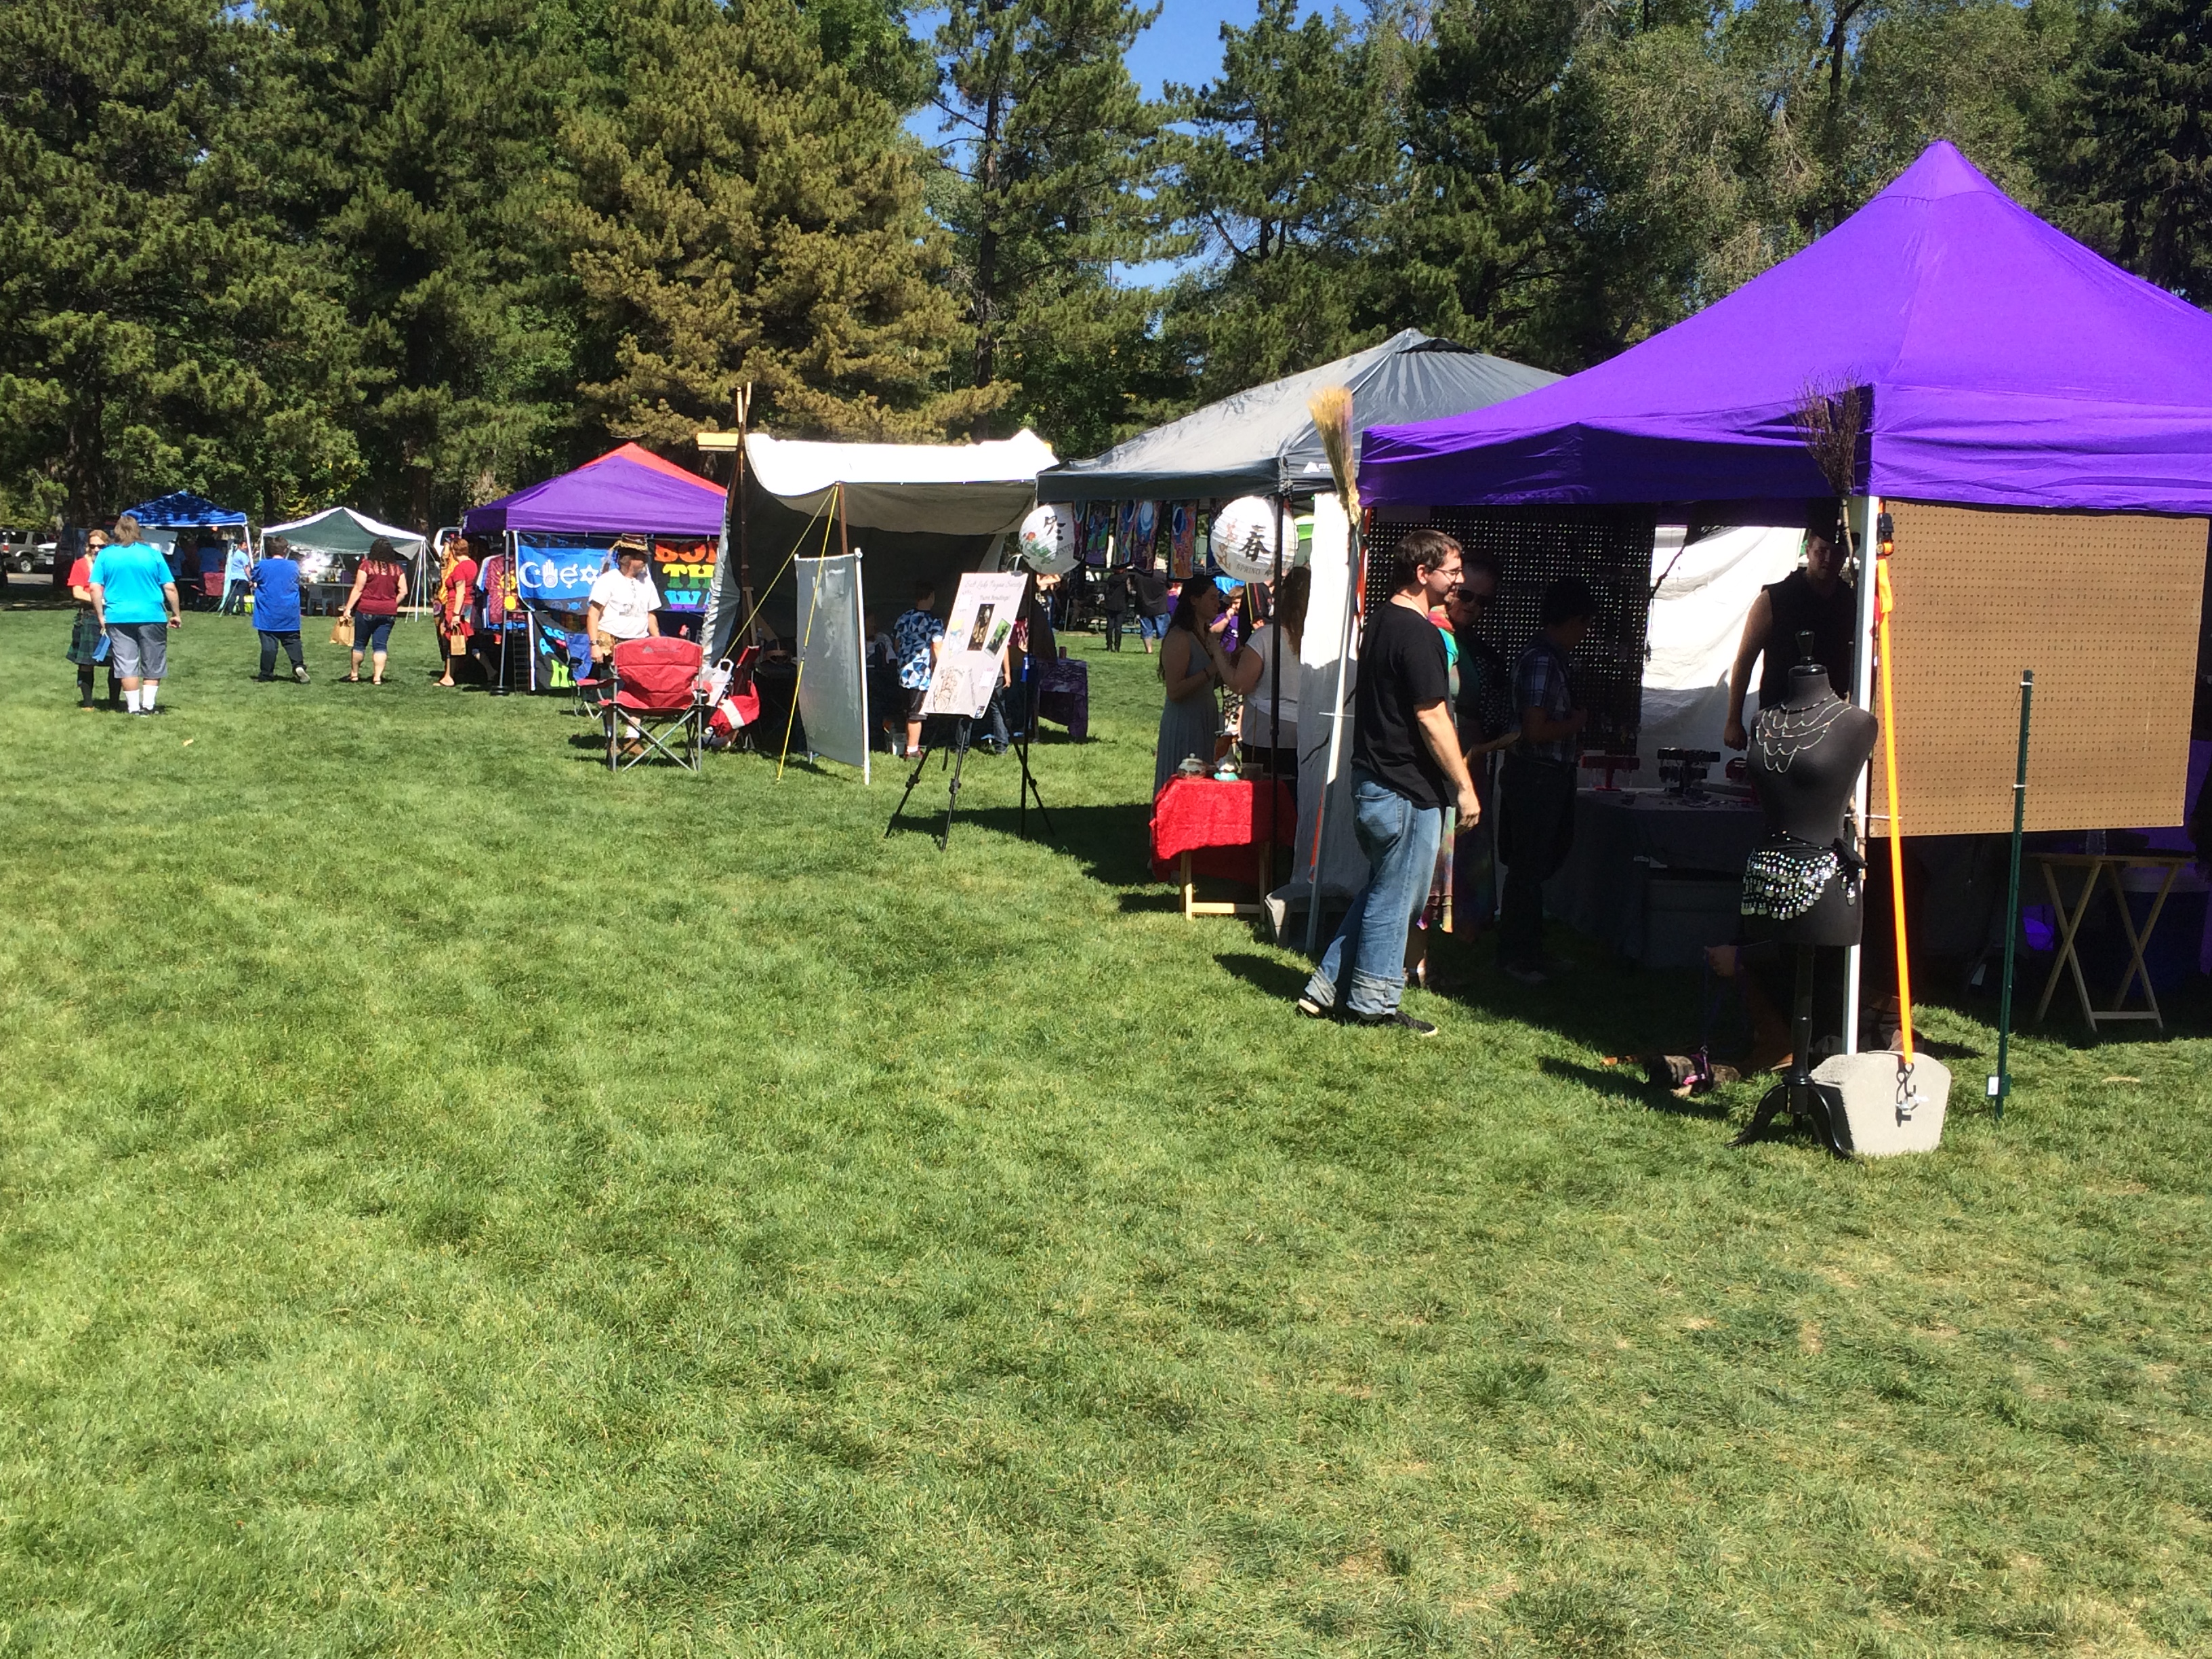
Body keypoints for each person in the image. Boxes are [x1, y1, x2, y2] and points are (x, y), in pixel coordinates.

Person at [1294, 529, 1480, 1034]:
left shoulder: (1379, 622)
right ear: (1423, 574)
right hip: (1404, 788)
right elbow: (1432, 716)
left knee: (1384, 889)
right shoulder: (1418, 633)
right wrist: (1464, 786)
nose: (1460, 582)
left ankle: (1326, 988)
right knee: (1398, 900)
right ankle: (1373, 1004)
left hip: (1376, 780)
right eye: (1453, 572)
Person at [1499, 575, 1596, 983]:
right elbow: (1534, 729)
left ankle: (1530, 951)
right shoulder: (1542, 660)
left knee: (1535, 867)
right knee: (1527, 868)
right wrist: (1575, 723)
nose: (1585, 633)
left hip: (1546, 776)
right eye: (1584, 624)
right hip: (1536, 776)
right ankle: (1516, 956)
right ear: (1572, 620)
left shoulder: (1551, 658)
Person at [1723, 502, 1856, 750]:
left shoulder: (1851, 602)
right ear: (1808, 550)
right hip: (1778, 722)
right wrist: (1733, 721)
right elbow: (1744, 662)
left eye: (1836, 553)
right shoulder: (1774, 599)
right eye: (1821, 551)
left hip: (1830, 724)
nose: (1828, 559)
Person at [1442, 554, 1517, 935]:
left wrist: (1481, 748)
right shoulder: (1428, 636)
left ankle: (1466, 925)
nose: (1472, 606)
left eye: (1482, 601)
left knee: (1470, 842)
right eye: (1466, 595)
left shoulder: (1486, 656)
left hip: (1471, 757)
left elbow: (1500, 718)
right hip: (1433, 753)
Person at [1154, 574, 1240, 794]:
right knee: (1184, 778)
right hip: (1185, 722)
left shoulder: (1206, 635)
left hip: (1205, 718)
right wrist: (1210, 669)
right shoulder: (1180, 637)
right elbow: (1175, 691)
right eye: (1211, 598)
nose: (1217, 603)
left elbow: (1208, 683)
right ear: (1194, 600)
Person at [89, 513, 182, 716]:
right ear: (138, 531)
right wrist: (176, 613)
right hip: (152, 615)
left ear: (116, 532)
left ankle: (132, 708)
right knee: (153, 660)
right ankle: (148, 706)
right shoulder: (153, 555)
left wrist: (101, 616)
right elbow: (170, 587)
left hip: (118, 616)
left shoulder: (106, 555)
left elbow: (95, 588)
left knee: (126, 662)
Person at [1232, 564, 1309, 778]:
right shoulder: (1323, 642)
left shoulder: (1266, 636)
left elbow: (1240, 685)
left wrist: (1218, 656)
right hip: (1309, 731)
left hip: (1266, 732)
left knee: (1264, 801)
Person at [340, 536, 409, 684]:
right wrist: (392, 603)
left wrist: (348, 609)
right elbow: (404, 591)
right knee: (380, 645)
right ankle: (377, 678)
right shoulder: (397, 569)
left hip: (366, 609)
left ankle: (354, 674)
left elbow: (359, 589)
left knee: (359, 643)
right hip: (388, 612)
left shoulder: (366, 566)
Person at [892, 580, 945, 758]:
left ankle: (909, 745)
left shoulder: (904, 618)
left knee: (908, 712)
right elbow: (937, 647)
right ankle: (912, 750)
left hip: (904, 672)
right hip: (921, 674)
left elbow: (897, 644)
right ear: (931, 597)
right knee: (917, 714)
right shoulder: (934, 622)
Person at [251, 536, 310, 682]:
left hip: (268, 610)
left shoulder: (262, 565)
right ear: (285, 550)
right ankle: (298, 665)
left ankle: (266, 673)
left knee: (269, 644)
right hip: (289, 610)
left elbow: (253, 578)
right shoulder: (293, 566)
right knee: (292, 640)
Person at [436, 537, 479, 687]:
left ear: (454, 551)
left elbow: (460, 593)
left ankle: (449, 676)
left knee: (453, 640)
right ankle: (490, 670)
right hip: (470, 607)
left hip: (458, 607)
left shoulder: (460, 568)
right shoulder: (473, 565)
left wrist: (455, 615)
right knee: (469, 641)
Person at [1132, 562, 1172, 654]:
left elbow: (1133, 587)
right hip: (1160, 607)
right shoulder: (1162, 576)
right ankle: (1164, 651)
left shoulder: (1138, 576)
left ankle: (1149, 650)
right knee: (1164, 631)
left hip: (1144, 607)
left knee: (1146, 631)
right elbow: (1170, 586)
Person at [1101, 566, 1129, 652]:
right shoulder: (1126, 578)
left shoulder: (1111, 578)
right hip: (1122, 604)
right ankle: (1117, 647)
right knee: (1118, 627)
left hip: (1110, 604)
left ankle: (1109, 646)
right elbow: (1129, 590)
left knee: (1110, 626)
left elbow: (1106, 590)